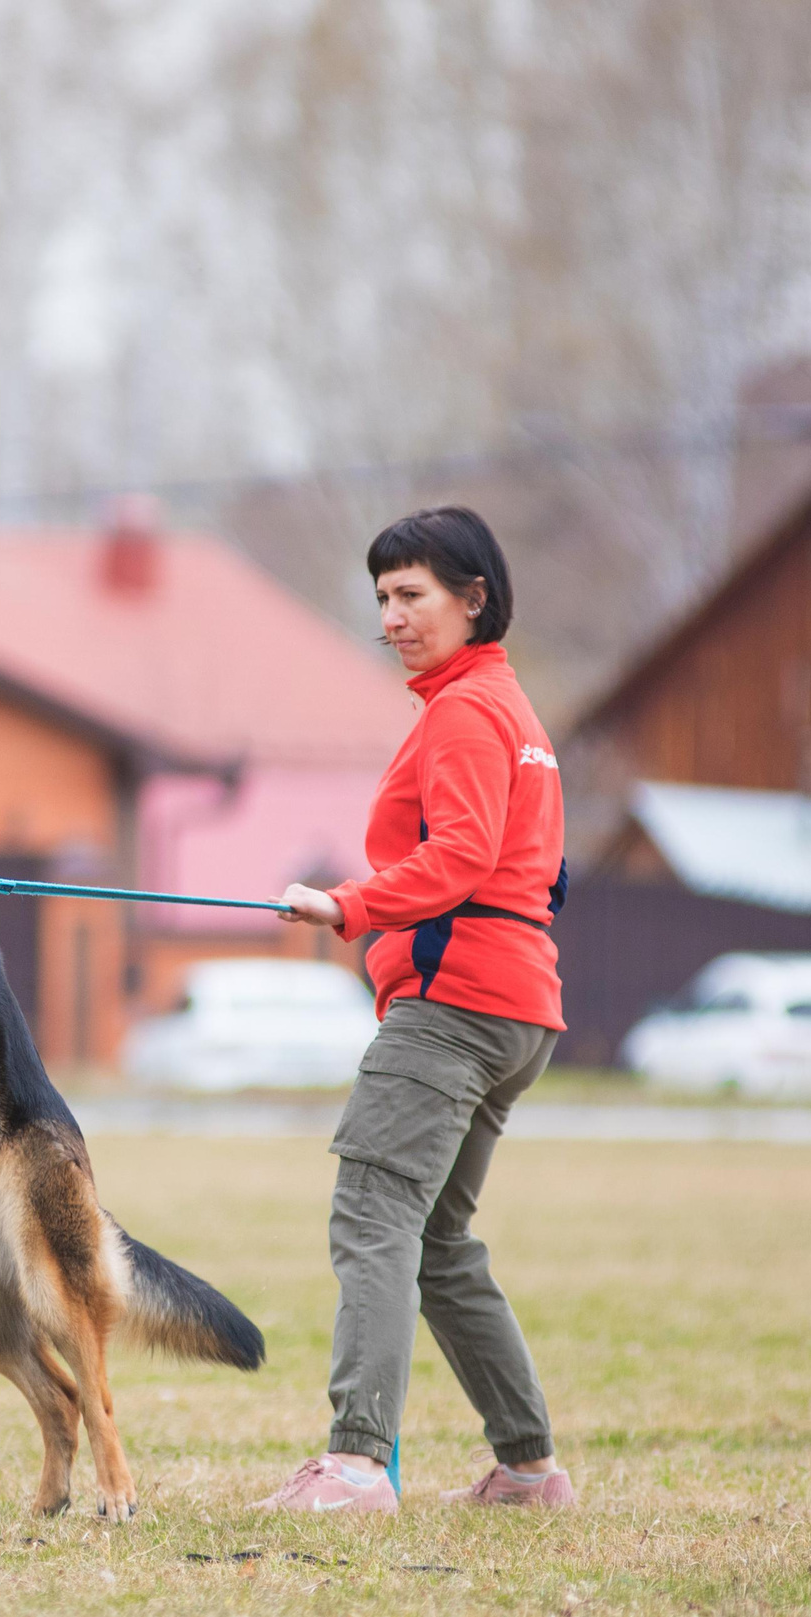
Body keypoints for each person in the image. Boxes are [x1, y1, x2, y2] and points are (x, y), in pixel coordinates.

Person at [256, 505, 576, 1514]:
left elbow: (465, 856)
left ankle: (354, 1465)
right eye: (382, 597)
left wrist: (348, 905)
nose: (391, 616)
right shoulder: (508, 709)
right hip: (514, 1004)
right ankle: (528, 1470)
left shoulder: (467, 711)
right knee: (437, 1241)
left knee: (373, 1216)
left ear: (473, 597)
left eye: (411, 595)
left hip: (453, 1006)